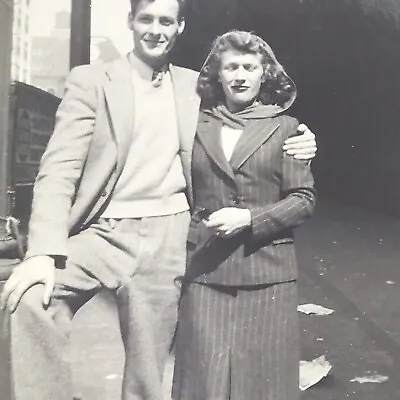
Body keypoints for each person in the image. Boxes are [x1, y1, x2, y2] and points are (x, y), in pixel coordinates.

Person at [0, 1, 316, 399]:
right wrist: (43, 253)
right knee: (30, 299)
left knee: (148, 374)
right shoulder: (92, 81)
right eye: (146, 19)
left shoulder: (194, 87)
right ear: (130, 22)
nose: (156, 29)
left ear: (179, 27)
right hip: (103, 232)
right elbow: (58, 168)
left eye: (166, 21)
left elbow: (252, 118)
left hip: (169, 235)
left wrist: (303, 138)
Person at [172, 30, 317, 400]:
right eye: (231, 66)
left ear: (263, 74)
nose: (240, 75)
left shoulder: (286, 127)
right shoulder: (193, 124)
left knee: (264, 384)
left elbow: (303, 199)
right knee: (203, 383)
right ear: (217, 75)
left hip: (267, 274)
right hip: (206, 271)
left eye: (249, 67)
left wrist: (251, 219)